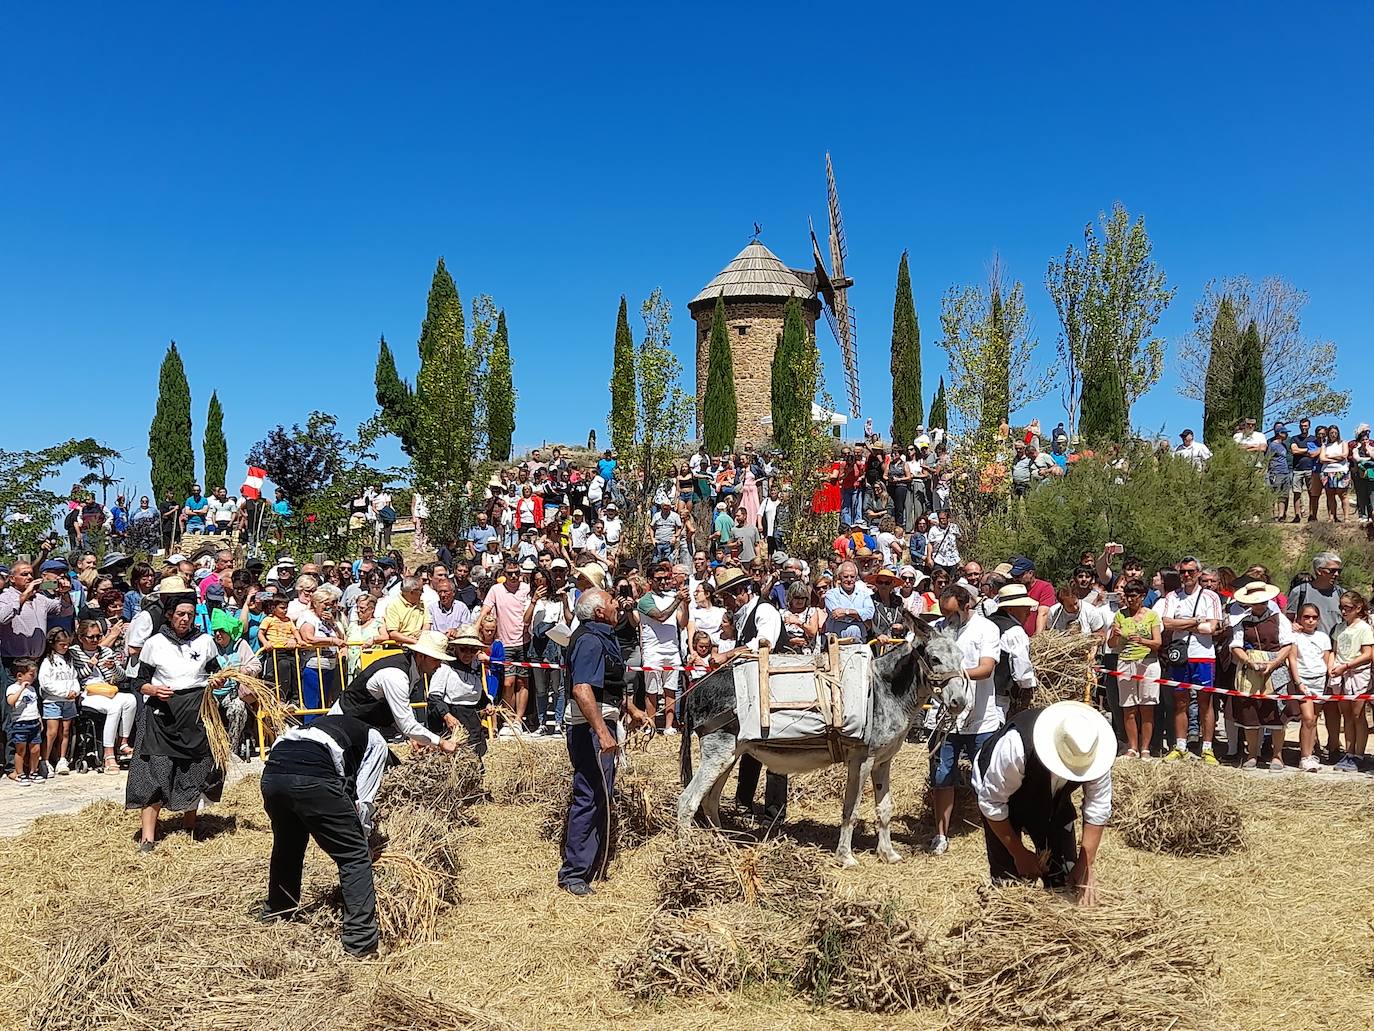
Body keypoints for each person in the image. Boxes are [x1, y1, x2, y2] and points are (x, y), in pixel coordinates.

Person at [260, 712, 393, 957]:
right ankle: (361, 943)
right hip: (313, 777)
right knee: (353, 857)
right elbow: (362, 802)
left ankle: (277, 913)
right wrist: (362, 838)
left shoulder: (316, 726)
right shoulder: (376, 742)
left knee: (288, 846)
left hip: (273, 775)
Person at [972, 701, 1115, 903]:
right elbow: (992, 804)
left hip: (1054, 802)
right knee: (1008, 884)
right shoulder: (1017, 746)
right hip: (1004, 799)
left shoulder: (1094, 751)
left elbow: (1097, 807)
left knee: (1065, 878)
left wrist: (1086, 863)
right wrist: (1019, 853)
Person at [126, 594, 223, 851]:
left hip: (196, 712)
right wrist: (154, 691)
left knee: (194, 769)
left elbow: (215, 673)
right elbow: (138, 682)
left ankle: (190, 827)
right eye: (180, 614)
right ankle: (148, 837)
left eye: (190, 614)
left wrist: (218, 681)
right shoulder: (154, 643)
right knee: (154, 772)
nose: (185, 619)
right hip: (162, 714)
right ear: (170, 615)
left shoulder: (204, 641)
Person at [558, 588, 625, 896]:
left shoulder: (600, 637)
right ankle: (574, 874)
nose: (617, 604)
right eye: (612, 601)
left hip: (600, 723)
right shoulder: (588, 640)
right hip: (589, 730)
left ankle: (590, 863)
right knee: (589, 795)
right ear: (599, 612)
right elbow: (582, 690)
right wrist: (602, 732)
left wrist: (633, 710)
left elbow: (605, 689)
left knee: (600, 794)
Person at [928, 585, 1000, 856]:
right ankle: (940, 834)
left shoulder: (987, 629)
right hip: (944, 718)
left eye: (952, 613)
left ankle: (994, 831)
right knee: (941, 776)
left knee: (986, 778)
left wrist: (952, 674)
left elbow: (986, 668)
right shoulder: (937, 628)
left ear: (966, 606)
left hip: (980, 718)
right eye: (943, 613)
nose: (947, 618)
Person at [1156, 556, 1224, 763]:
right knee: (1180, 701)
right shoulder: (1172, 597)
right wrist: (1196, 621)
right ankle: (1181, 745)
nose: (1186, 575)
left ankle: (1207, 747)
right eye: (1183, 572)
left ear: (1198, 573)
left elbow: (1212, 628)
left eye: (1191, 571)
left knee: (1206, 702)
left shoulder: (1210, 597)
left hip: (1203, 655)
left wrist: (1182, 623)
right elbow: (1167, 623)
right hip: (1180, 655)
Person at [1228, 581, 1295, 770]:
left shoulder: (1279, 619)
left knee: (1275, 712)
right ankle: (1252, 755)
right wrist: (1249, 662)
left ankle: (1277, 755)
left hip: (1275, 669)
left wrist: (1273, 664)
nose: (1260, 605)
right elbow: (1235, 646)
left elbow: (1288, 645)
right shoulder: (1242, 622)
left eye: (1263, 601)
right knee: (1251, 713)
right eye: (1256, 602)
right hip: (1250, 669)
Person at [72, 619, 136, 772]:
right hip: (87, 692)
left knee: (130, 700)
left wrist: (113, 667)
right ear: (81, 638)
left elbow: (122, 677)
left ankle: (123, 743)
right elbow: (76, 676)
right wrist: (90, 665)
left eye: (98, 636)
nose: (95, 640)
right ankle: (108, 754)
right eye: (91, 637)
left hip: (106, 688)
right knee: (114, 707)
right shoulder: (74, 652)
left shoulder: (106, 651)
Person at [1108, 578, 1162, 759]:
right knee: (1128, 707)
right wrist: (1115, 635)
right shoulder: (1120, 615)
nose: (1130, 600)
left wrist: (1142, 640)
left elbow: (1157, 643)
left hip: (1148, 663)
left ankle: (1145, 748)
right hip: (1125, 661)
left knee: (1147, 707)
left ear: (1142, 596)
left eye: (1134, 596)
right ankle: (1132, 747)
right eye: (1127, 596)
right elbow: (1112, 644)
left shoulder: (1152, 615)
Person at [635, 563, 688, 734]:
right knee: (651, 691)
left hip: (672, 648)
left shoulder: (672, 596)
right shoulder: (645, 600)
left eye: (666, 578)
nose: (664, 582)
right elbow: (661, 617)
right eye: (659, 579)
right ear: (651, 580)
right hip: (653, 649)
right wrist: (678, 600)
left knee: (670, 689)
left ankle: (668, 726)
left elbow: (682, 622)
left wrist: (685, 604)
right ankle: (650, 725)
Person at [481, 559, 531, 737]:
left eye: (516, 572)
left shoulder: (526, 589)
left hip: (524, 641)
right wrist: (475, 632)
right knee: (508, 682)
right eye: (510, 573)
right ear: (504, 574)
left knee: (522, 681)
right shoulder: (496, 590)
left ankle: (518, 719)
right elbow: (485, 610)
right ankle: (508, 717)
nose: (514, 576)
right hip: (504, 642)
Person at [426, 626, 490, 756]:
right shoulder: (445, 666)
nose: (468, 654)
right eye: (463, 649)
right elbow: (433, 698)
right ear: (456, 648)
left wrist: (487, 703)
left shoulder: (475, 666)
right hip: (452, 719)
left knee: (476, 754)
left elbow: (477, 692)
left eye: (473, 650)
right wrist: (447, 716)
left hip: (472, 718)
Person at [1327, 591, 1372, 773]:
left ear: (1358, 608)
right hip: (1340, 674)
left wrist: (1346, 666)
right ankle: (1349, 751)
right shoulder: (1339, 628)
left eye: (1348, 607)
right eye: (1341, 607)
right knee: (1346, 714)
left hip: (1358, 674)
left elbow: (1368, 654)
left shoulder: (1364, 628)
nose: (1344, 611)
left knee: (1357, 714)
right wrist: (1332, 666)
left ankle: (1359, 754)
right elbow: (1335, 651)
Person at [1287, 603, 1332, 773]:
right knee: (1306, 718)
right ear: (1299, 619)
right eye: (1306, 617)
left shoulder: (1323, 637)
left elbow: (1326, 659)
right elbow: (1292, 659)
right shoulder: (1295, 637)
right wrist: (1298, 682)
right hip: (1303, 680)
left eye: (1314, 617)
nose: (1310, 620)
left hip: (1319, 680)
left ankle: (1310, 752)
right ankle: (1304, 757)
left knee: (1314, 719)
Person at [986, 583, 1037, 714]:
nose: (1029, 612)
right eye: (1024, 607)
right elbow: (1022, 673)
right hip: (999, 698)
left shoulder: (985, 623)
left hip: (978, 691)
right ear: (1010, 609)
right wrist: (1028, 689)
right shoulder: (1015, 632)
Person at [37, 627, 80, 776]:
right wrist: (63, 693)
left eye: (67, 644)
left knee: (65, 731)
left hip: (68, 701)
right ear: (53, 644)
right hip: (53, 701)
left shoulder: (69, 660)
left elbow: (74, 677)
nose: (66, 647)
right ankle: (45, 760)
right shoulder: (47, 662)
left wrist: (75, 691)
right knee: (52, 732)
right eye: (62, 644)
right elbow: (45, 683)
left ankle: (62, 759)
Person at [6, 659, 42, 783]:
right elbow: (11, 702)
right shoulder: (12, 688)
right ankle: (20, 773)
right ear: (20, 675)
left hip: (34, 722)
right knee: (21, 750)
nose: (34, 677)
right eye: (31, 675)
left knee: (35, 749)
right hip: (20, 723)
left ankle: (34, 771)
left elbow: (34, 705)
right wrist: (21, 689)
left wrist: (39, 719)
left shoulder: (32, 689)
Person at [823, 561, 874, 642]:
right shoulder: (831, 594)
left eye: (852, 576)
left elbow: (869, 613)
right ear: (840, 577)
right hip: (837, 643)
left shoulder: (864, 595)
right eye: (846, 576)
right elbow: (836, 614)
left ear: (856, 577)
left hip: (860, 642)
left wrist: (846, 612)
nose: (849, 580)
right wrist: (859, 617)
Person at [1319, 425, 1350, 523]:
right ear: (1328, 434)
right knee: (1330, 495)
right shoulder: (1325, 445)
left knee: (1343, 495)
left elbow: (1344, 455)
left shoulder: (1343, 443)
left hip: (1341, 471)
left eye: (1335, 433)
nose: (1333, 435)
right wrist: (1336, 458)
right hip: (1327, 472)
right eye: (1331, 433)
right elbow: (1322, 459)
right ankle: (1331, 517)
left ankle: (1346, 518)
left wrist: (1330, 457)